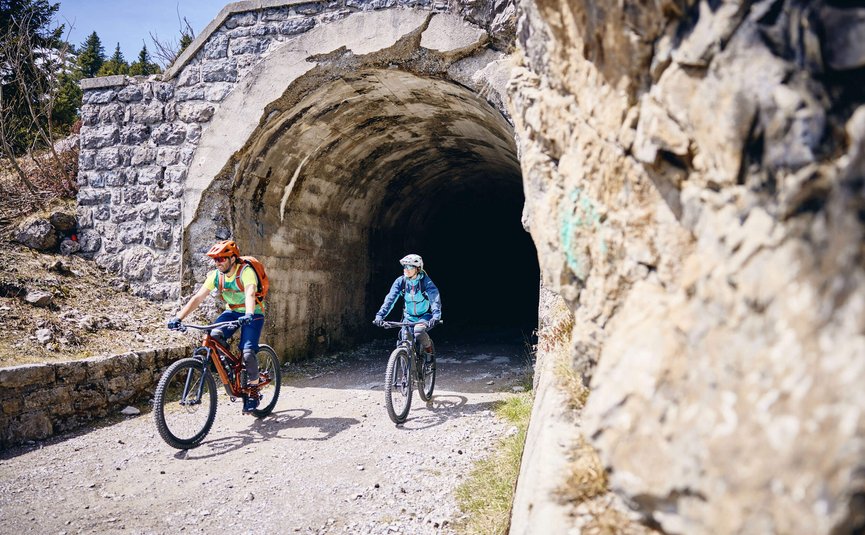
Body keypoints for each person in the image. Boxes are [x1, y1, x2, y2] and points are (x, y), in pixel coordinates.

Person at [167, 240, 265, 414]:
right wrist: (178, 317)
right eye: (215, 259)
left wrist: (249, 314)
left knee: (248, 352)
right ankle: (230, 367)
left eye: (222, 259)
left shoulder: (246, 272)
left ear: (233, 259)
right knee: (214, 334)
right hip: (232, 312)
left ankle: (253, 391)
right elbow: (197, 298)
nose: (218, 262)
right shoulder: (216, 276)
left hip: (253, 313)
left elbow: (250, 293)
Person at [373, 254, 442, 361]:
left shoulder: (425, 282)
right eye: (405, 267)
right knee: (404, 340)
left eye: (410, 267)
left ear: (418, 269)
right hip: (408, 317)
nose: (406, 269)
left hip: (424, 316)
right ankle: (406, 375)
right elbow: (390, 299)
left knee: (418, 331)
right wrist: (380, 315)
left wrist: (436, 316)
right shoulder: (401, 281)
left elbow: (434, 299)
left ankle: (429, 350)